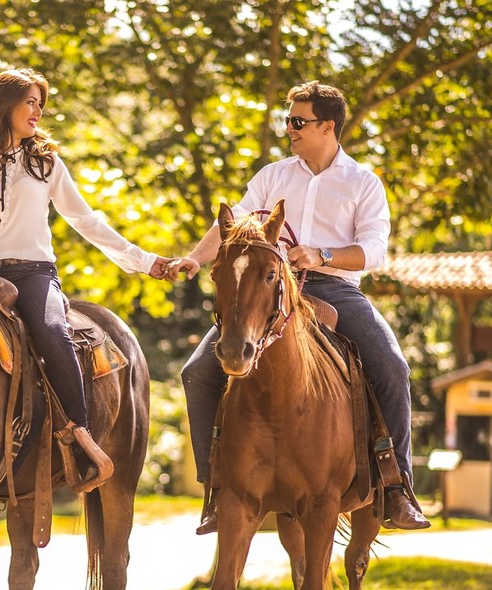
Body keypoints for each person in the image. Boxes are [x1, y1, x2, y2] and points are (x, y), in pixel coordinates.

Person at [172, 80, 430, 533]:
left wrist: (321, 254)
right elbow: (234, 221)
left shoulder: (363, 183)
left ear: (327, 126)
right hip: (269, 290)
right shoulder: (273, 175)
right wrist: (195, 258)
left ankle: (396, 487)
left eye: (298, 121)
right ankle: (215, 486)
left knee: (392, 367)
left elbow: (373, 251)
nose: (289, 129)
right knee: (197, 372)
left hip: (335, 289)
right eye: (288, 120)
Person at [0, 67, 174, 494]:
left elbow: (86, 220)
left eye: (40, 104)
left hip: (32, 273)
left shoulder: (46, 163)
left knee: (52, 331)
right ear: (4, 105)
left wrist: (144, 261)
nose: (38, 111)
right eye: (30, 102)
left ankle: (79, 436)